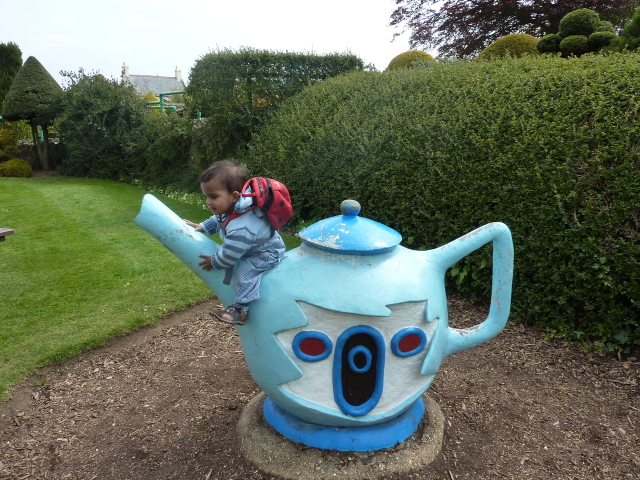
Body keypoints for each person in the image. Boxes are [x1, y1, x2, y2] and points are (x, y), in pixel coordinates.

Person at [184, 160, 285, 325]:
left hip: (266, 253)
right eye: (206, 196)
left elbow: (231, 252)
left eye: (213, 196)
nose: (208, 201)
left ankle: (240, 310)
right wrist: (202, 226)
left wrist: (215, 261)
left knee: (245, 274)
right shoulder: (233, 207)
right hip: (254, 248)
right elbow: (218, 219)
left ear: (235, 196)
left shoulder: (242, 226)